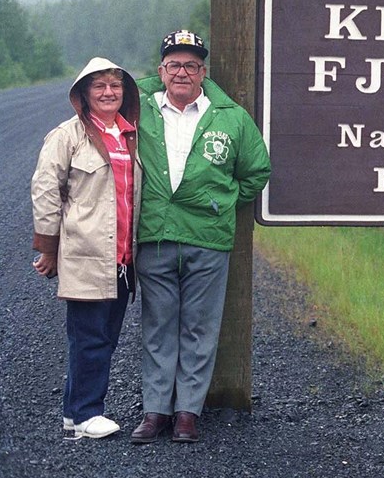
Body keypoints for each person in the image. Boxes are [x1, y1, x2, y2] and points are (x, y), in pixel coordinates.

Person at [131, 30, 270, 444]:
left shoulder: (229, 116)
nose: (182, 72)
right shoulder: (138, 107)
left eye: (191, 65)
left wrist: (221, 203)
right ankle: (155, 411)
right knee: (158, 325)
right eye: (174, 64)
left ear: (203, 72)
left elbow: (257, 172)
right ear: (161, 71)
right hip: (154, 235)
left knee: (199, 327)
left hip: (207, 240)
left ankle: (188, 412)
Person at [31, 57, 141, 439]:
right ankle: (87, 416)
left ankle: (72, 413)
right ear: (83, 94)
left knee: (104, 338)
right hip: (87, 253)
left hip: (125, 256)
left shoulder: (131, 134)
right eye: (100, 87)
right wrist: (48, 248)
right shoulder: (67, 136)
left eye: (115, 85)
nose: (109, 93)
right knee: (89, 338)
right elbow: (45, 191)